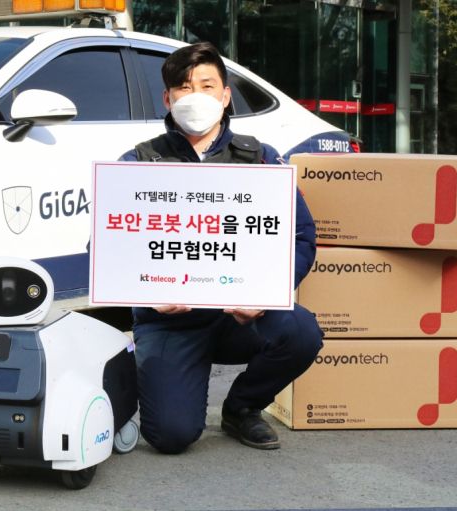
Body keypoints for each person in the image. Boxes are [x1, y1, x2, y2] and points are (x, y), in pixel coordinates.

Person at [119, 42, 323, 454]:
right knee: (171, 436)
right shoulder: (138, 164)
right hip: (171, 322)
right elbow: (108, 247)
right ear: (168, 99)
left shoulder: (260, 159)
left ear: (226, 96)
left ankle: (242, 407)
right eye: (183, 87)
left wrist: (265, 294)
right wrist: (146, 292)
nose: (195, 96)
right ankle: (144, 374)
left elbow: (301, 236)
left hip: (239, 316)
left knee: (301, 332)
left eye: (206, 85)